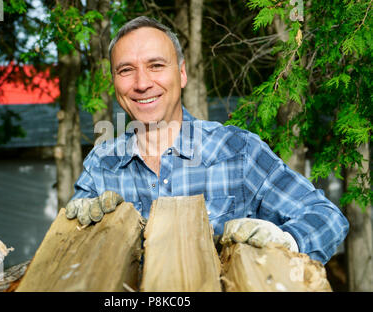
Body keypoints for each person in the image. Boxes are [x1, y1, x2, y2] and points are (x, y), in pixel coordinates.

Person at [65, 16, 349, 265]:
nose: (141, 83)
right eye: (126, 70)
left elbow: (325, 217)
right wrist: (77, 231)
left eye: (156, 65)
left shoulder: (237, 151)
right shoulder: (101, 165)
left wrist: (288, 241)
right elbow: (67, 258)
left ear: (182, 73)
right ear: (115, 82)